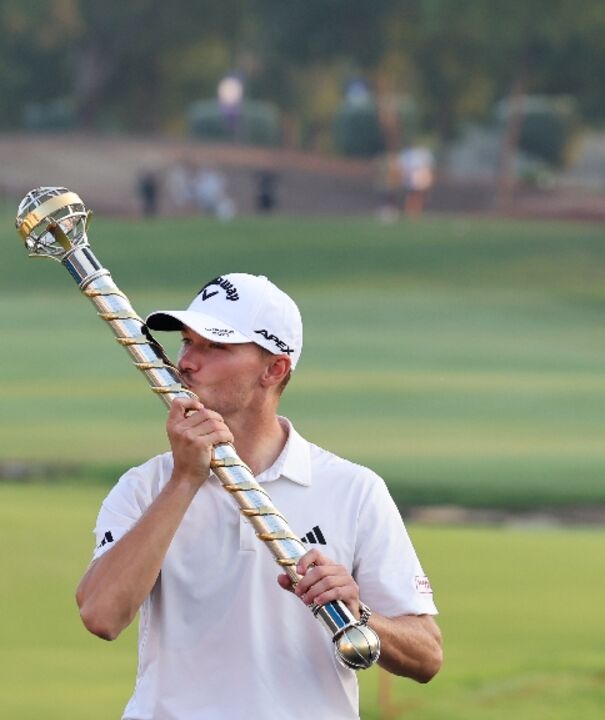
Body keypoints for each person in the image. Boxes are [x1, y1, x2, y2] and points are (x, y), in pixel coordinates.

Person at [75, 273, 443, 719]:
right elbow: (101, 616)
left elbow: (426, 655)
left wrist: (359, 615)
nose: (187, 362)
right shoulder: (145, 485)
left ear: (275, 369)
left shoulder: (355, 490)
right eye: (187, 342)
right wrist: (185, 480)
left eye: (215, 346)